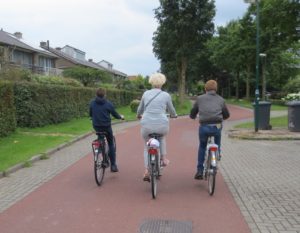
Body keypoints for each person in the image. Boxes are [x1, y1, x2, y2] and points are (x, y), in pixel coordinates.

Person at [137, 73, 177, 181]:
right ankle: (163, 159)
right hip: (162, 124)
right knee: (162, 137)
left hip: (147, 125)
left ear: (151, 82)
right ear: (162, 83)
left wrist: (138, 115)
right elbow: (171, 110)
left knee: (147, 147)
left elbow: (140, 109)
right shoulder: (166, 95)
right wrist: (174, 115)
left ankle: (146, 170)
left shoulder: (145, 94)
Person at [190, 80, 230, 180]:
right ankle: (218, 154)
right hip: (216, 126)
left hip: (204, 127)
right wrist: (222, 118)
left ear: (205, 89)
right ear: (216, 89)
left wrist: (193, 116)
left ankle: (199, 170)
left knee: (202, 146)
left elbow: (193, 113)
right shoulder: (221, 99)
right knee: (217, 141)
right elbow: (226, 114)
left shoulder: (199, 98)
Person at [89, 88, 124, 172]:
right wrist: (121, 117)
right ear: (104, 95)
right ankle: (113, 165)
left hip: (96, 126)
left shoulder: (92, 103)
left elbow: (90, 114)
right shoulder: (108, 104)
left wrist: (92, 117)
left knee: (100, 137)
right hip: (106, 127)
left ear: (96, 95)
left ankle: (100, 149)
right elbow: (115, 114)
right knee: (111, 143)